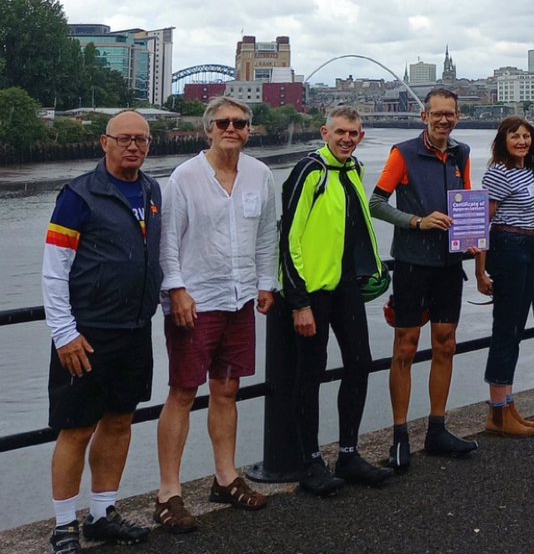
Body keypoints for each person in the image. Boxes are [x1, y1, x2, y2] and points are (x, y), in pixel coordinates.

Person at [155, 98, 276, 533]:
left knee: (227, 389)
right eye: (223, 122)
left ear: (249, 129)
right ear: (208, 129)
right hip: (196, 301)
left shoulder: (260, 176)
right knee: (183, 392)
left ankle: (225, 477)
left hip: (240, 298)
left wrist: (266, 283)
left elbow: (266, 236)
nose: (231, 128)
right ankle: (168, 492)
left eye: (239, 123)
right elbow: (168, 241)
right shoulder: (185, 177)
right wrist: (177, 289)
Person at [43, 111, 162, 552]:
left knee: (120, 420)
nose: (134, 147)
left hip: (134, 328)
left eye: (142, 140)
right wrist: (64, 333)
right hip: (87, 332)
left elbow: (156, 256)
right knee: (76, 428)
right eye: (124, 139)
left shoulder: (151, 190)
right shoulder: (78, 195)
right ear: (104, 142)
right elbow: (55, 271)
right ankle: (63, 525)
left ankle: (102, 512)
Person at [279, 106, 392, 495]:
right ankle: (310, 461)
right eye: (340, 132)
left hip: (347, 286)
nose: (347, 138)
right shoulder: (310, 171)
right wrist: (298, 301)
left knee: (360, 362)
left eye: (354, 133)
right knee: (310, 372)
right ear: (325, 132)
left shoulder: (354, 169)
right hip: (313, 291)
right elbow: (289, 237)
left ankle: (349, 452)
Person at [370, 88, 478, 472]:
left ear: (457, 116)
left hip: (449, 263)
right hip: (413, 262)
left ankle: (437, 428)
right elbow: (376, 203)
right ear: (425, 117)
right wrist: (417, 221)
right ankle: (400, 435)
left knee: (446, 344)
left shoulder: (462, 154)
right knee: (406, 346)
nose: (444, 120)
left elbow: (465, 201)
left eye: (450, 114)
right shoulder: (403, 153)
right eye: (437, 114)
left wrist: (475, 243)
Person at [476, 117, 534, 436]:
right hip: (510, 247)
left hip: (529, 247)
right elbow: (482, 225)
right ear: (503, 140)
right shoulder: (498, 173)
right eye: (515, 136)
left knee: (516, 328)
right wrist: (480, 270)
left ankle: (508, 404)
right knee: (505, 329)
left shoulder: (526, 170)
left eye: (526, 136)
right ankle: (498, 413)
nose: (521, 141)